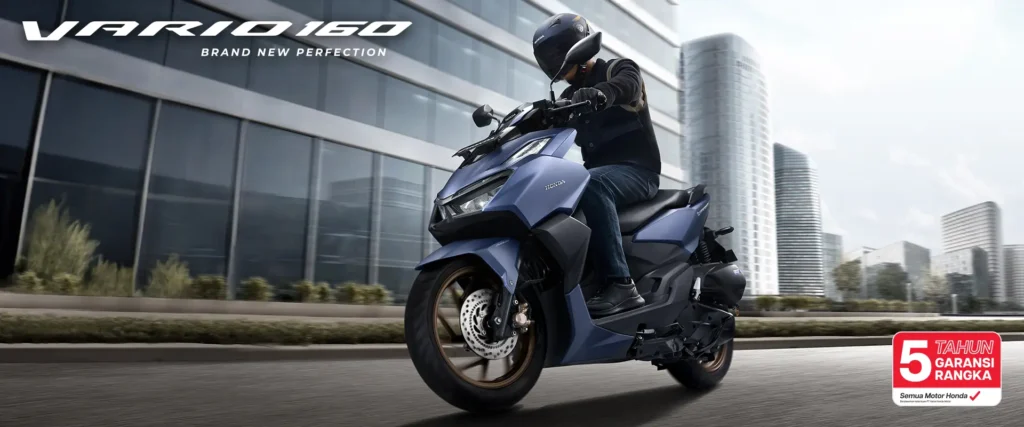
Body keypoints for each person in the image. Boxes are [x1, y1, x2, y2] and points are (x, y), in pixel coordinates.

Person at [533, 13, 662, 317]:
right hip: (599, 175)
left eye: (555, 54)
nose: (553, 64)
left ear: (575, 49)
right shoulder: (567, 97)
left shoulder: (618, 69)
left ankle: (621, 284)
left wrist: (602, 94)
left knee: (591, 183)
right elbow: (544, 130)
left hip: (638, 171)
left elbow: (628, 86)